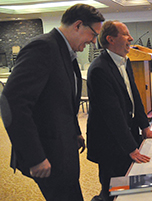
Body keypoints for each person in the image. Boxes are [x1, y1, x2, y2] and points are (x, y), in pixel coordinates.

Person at [0, 4, 104, 201]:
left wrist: (75, 131)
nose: (93, 41)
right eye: (93, 34)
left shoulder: (66, 50)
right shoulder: (43, 47)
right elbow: (12, 102)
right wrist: (35, 157)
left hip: (64, 146)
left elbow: (62, 100)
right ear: (78, 26)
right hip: (47, 153)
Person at [86, 20, 152, 201]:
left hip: (126, 133)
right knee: (113, 189)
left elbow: (134, 96)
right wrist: (131, 147)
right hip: (109, 142)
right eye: (126, 34)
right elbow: (111, 114)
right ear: (110, 39)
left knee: (129, 183)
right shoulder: (99, 69)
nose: (131, 38)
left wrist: (145, 127)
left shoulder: (125, 61)